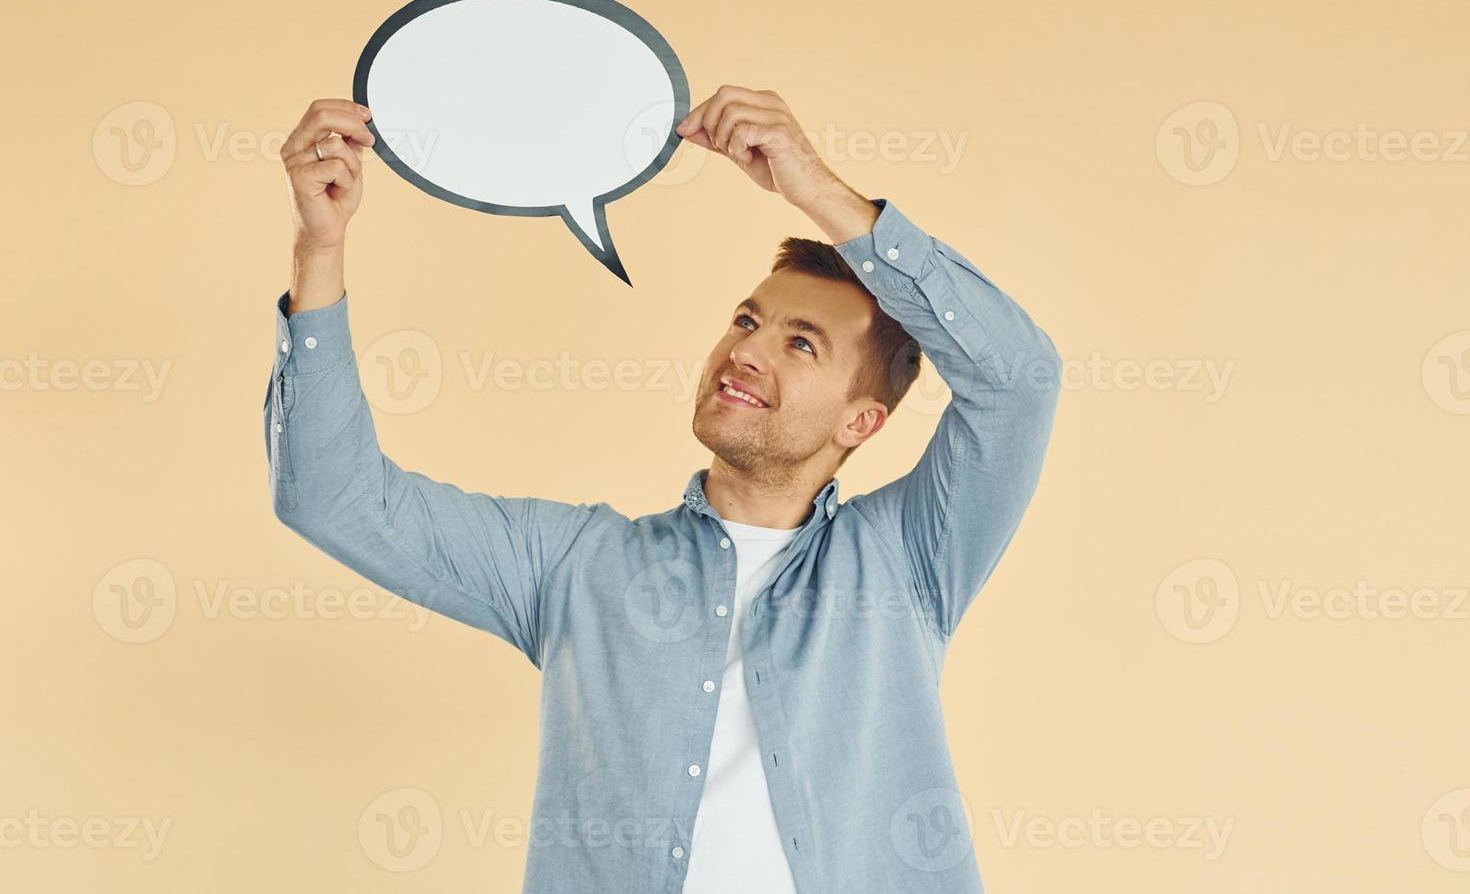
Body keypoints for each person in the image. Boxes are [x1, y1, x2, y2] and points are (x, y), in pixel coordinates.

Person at [266, 86, 1061, 893]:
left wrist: (817, 189)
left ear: (861, 423)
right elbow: (334, 497)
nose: (748, 352)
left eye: (801, 344)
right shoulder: (574, 565)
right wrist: (319, 249)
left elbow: (1017, 385)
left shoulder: (908, 562)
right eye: (747, 322)